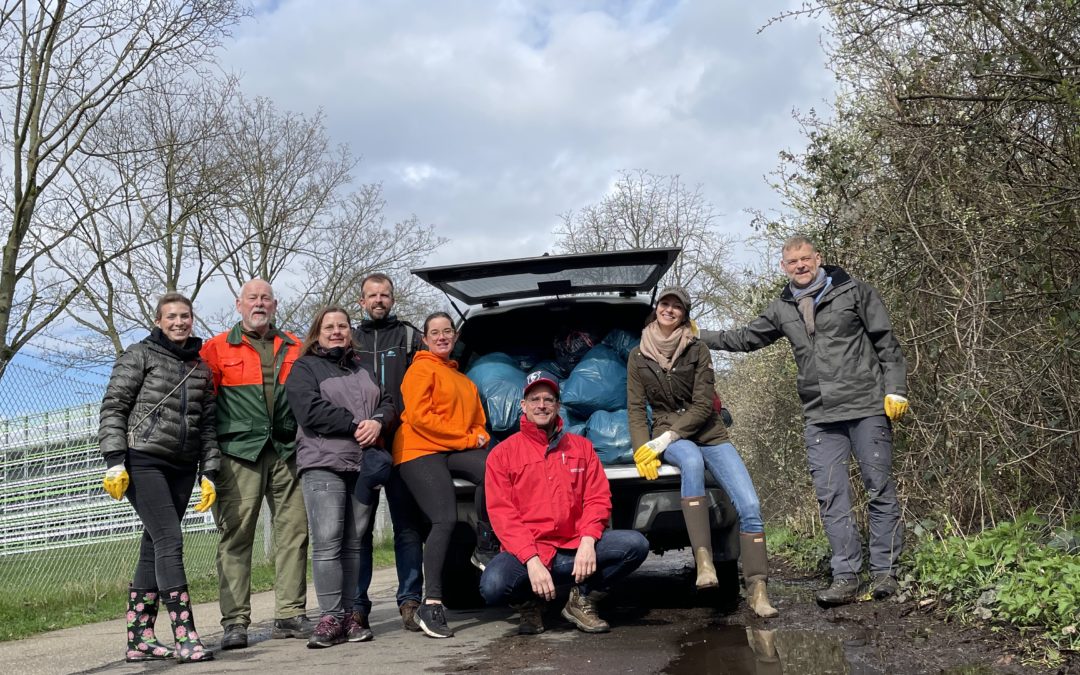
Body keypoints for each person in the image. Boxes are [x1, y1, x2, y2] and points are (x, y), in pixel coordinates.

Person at [698, 236, 909, 606]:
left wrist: (896, 389)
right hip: (820, 415)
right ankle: (845, 576)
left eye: (805, 259)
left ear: (818, 259)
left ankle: (884, 572)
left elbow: (886, 344)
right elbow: (746, 337)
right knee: (831, 495)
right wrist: (699, 335)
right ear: (784, 267)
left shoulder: (855, 292)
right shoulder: (782, 307)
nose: (800, 265)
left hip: (866, 406)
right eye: (792, 261)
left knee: (879, 488)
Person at [627, 287, 779, 618]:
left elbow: (702, 405)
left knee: (750, 504)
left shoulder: (698, 349)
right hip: (673, 438)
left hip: (709, 432)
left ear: (685, 314)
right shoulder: (638, 356)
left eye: (677, 307)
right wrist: (643, 449)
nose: (669, 310)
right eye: (664, 304)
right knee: (691, 461)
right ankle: (704, 561)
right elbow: (636, 409)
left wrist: (666, 439)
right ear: (656, 310)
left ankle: (757, 588)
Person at [480, 370, 650, 635]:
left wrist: (588, 540)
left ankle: (581, 599)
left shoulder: (581, 447)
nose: (542, 405)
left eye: (549, 399)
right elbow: (503, 515)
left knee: (635, 545)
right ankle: (530, 603)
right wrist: (531, 560)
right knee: (493, 584)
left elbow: (598, 497)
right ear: (523, 406)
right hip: (531, 549)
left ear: (558, 406)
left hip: (573, 545)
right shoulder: (502, 454)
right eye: (534, 399)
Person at [99, 292, 218, 663]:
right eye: (171, 317)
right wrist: (115, 460)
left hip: (182, 466)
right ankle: (184, 633)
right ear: (158, 320)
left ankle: (140, 638)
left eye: (185, 316)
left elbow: (208, 426)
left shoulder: (200, 369)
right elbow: (114, 406)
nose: (179, 322)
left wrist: (209, 472)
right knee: (170, 538)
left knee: (153, 544)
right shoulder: (139, 355)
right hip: (143, 459)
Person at [200, 279, 313, 649]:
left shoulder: (296, 346)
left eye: (265, 298)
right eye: (252, 298)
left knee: (295, 531)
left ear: (275, 305)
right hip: (238, 454)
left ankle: (290, 614)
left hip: (285, 450)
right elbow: (204, 406)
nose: (259, 303)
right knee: (236, 535)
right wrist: (208, 460)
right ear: (239, 304)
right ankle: (235, 622)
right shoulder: (215, 349)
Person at [285, 307, 396, 648]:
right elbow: (309, 410)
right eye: (329, 326)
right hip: (323, 463)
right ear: (317, 333)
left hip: (361, 464)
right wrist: (354, 425)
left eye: (342, 326)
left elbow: (389, 400)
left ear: (350, 332)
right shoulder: (304, 368)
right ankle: (330, 616)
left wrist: (378, 420)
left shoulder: (362, 368)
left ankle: (350, 615)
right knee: (328, 541)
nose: (336, 331)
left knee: (353, 541)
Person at [392, 311, 498, 638]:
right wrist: (468, 440)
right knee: (445, 519)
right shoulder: (419, 370)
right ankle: (432, 603)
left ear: (454, 337)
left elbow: (479, 422)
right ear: (424, 339)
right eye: (434, 332)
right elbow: (421, 419)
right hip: (418, 450)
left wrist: (477, 437)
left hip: (450, 449)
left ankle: (485, 542)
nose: (441, 337)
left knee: (493, 468)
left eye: (447, 331)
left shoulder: (464, 381)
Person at [351, 273, 426, 633]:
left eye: (384, 295)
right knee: (359, 529)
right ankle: (357, 606)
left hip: (403, 442)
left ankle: (410, 601)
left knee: (407, 528)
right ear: (361, 301)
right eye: (371, 295)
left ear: (393, 299)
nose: (378, 300)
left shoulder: (411, 336)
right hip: (360, 444)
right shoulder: (348, 339)